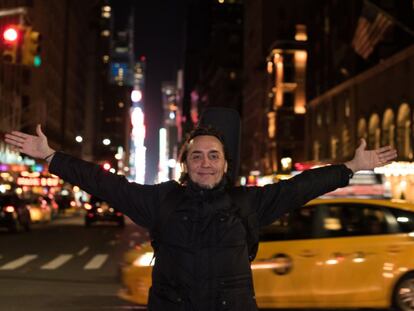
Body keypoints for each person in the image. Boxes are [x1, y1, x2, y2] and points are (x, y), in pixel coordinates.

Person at [4, 124, 397, 311]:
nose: (205, 163)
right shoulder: (162, 201)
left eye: (213, 156)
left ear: (225, 164)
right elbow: (105, 184)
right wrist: (52, 157)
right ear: (186, 163)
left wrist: (349, 167)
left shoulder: (249, 203)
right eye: (197, 155)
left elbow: (299, 187)